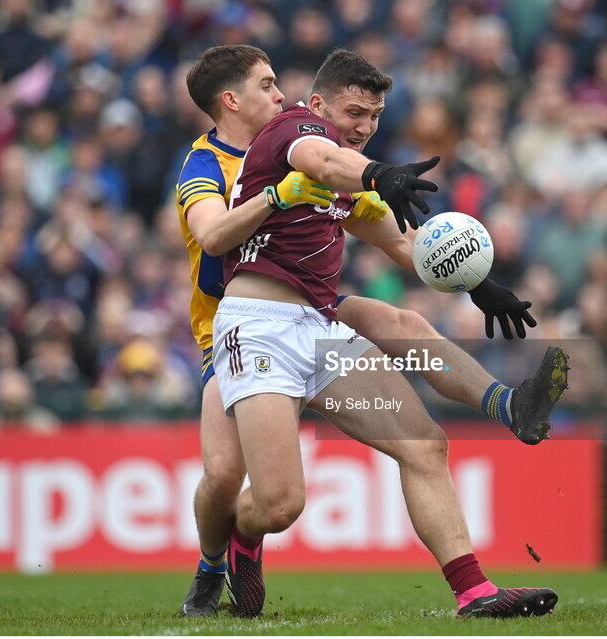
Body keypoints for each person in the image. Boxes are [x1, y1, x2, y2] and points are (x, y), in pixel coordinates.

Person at [174, 44, 568, 618]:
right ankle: (232, 544)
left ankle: (475, 589)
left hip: (316, 320)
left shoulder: (331, 157)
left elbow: (403, 242)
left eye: (375, 116)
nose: (366, 127)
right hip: (247, 328)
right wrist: (371, 173)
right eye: (355, 113)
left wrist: (477, 282)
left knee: (425, 440)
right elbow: (312, 168)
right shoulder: (293, 132)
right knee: (269, 498)